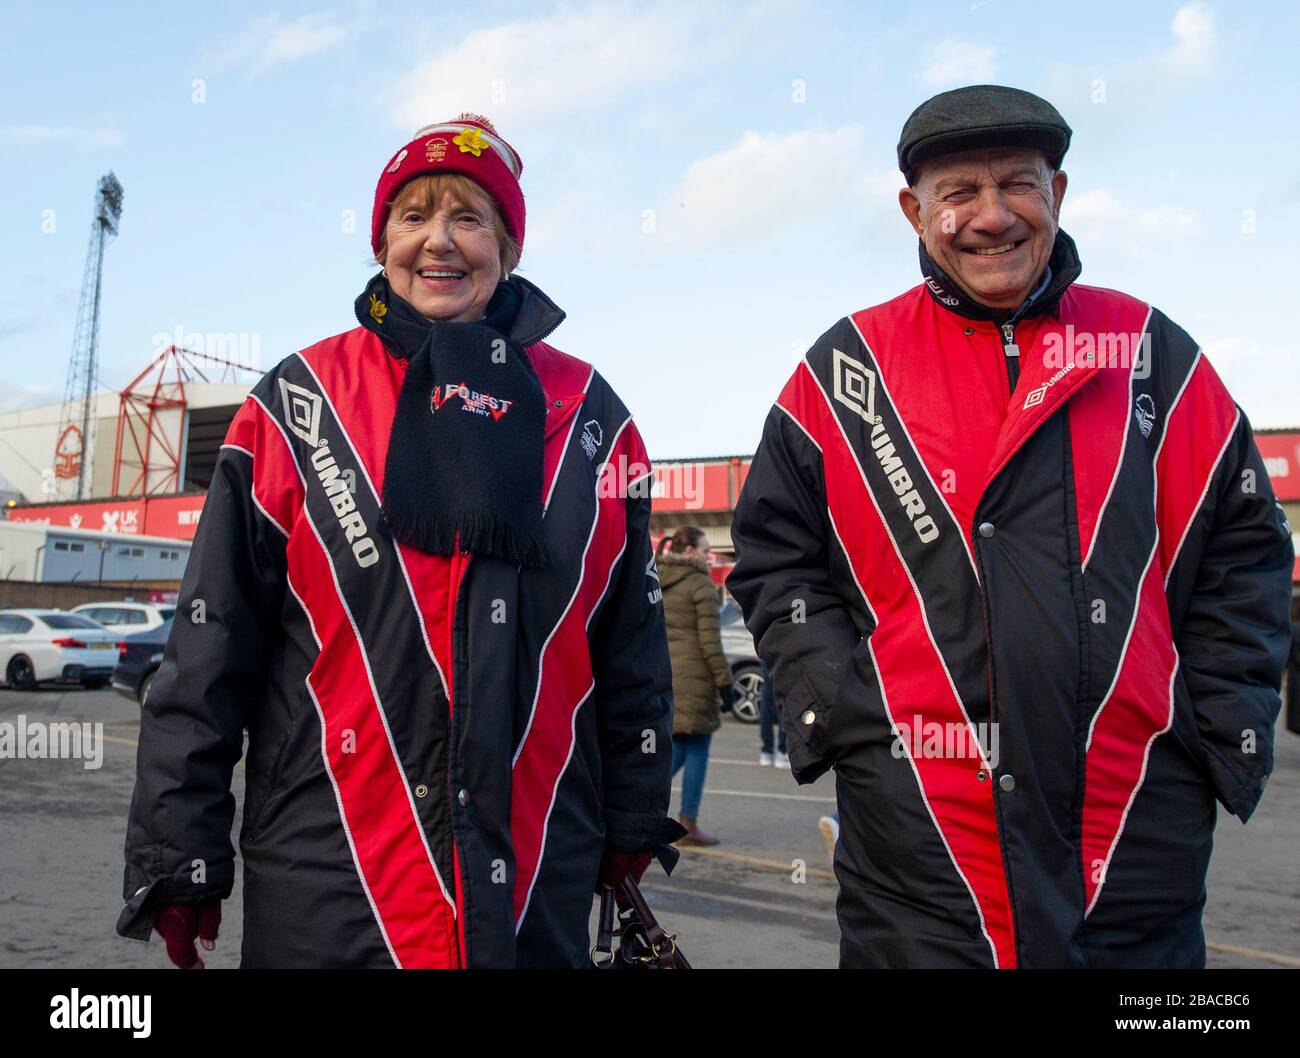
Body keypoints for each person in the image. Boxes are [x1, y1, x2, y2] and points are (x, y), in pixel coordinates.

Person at [729, 85, 1293, 968]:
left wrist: (1210, 735)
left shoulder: (1154, 354)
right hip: (917, 849)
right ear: (915, 212)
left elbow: (1247, 557)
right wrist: (844, 714)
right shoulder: (846, 371)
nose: (991, 217)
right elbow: (774, 559)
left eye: (1018, 185)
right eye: (959, 192)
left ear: (1058, 195)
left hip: (1135, 829)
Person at [117, 114, 682, 969]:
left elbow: (631, 648)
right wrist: (177, 854)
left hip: (535, 873)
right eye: (413, 216)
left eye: (468, 217)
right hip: (331, 879)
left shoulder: (593, 417)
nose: (438, 242)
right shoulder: (296, 406)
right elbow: (210, 641)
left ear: (509, 246)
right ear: (382, 242)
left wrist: (636, 813)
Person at [657, 527, 734, 845]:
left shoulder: (659, 579)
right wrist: (724, 682)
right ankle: (687, 823)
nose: (709, 556)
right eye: (705, 550)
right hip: (696, 677)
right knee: (698, 747)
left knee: (679, 747)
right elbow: (710, 641)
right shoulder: (700, 584)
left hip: (669, 676)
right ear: (689, 552)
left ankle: (641, 805)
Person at [756, 661, 789, 768]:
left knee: (767, 701)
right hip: (783, 657)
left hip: (766, 654)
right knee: (784, 702)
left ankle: (766, 750)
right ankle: (782, 750)